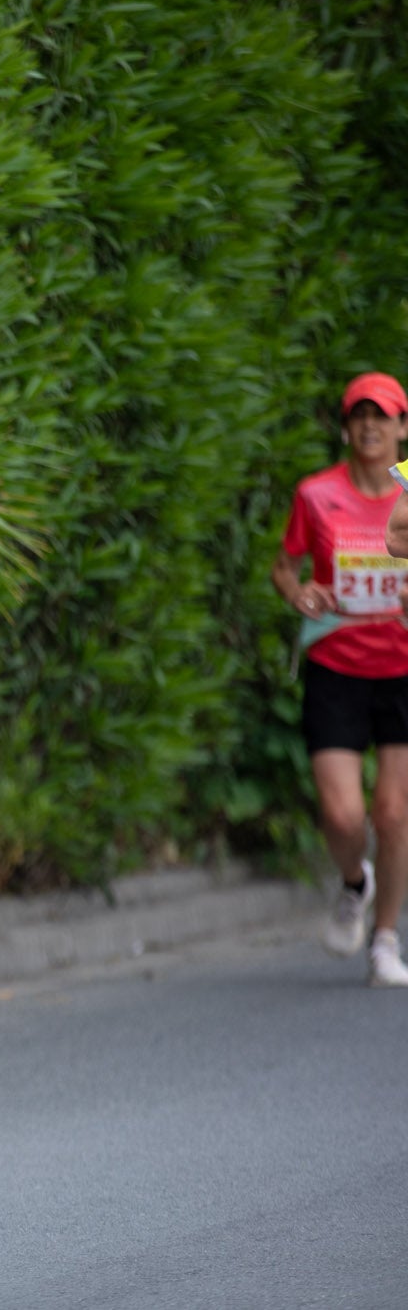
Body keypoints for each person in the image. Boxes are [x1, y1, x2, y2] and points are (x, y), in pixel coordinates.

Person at [275, 371, 408, 986]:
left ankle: (385, 940)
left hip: (403, 670)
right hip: (336, 667)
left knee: (393, 812)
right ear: (346, 425)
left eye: (383, 416)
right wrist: (299, 592)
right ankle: (355, 882)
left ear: (403, 428)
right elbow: (286, 567)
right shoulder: (316, 494)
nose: (371, 426)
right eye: (360, 415)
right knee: (344, 815)